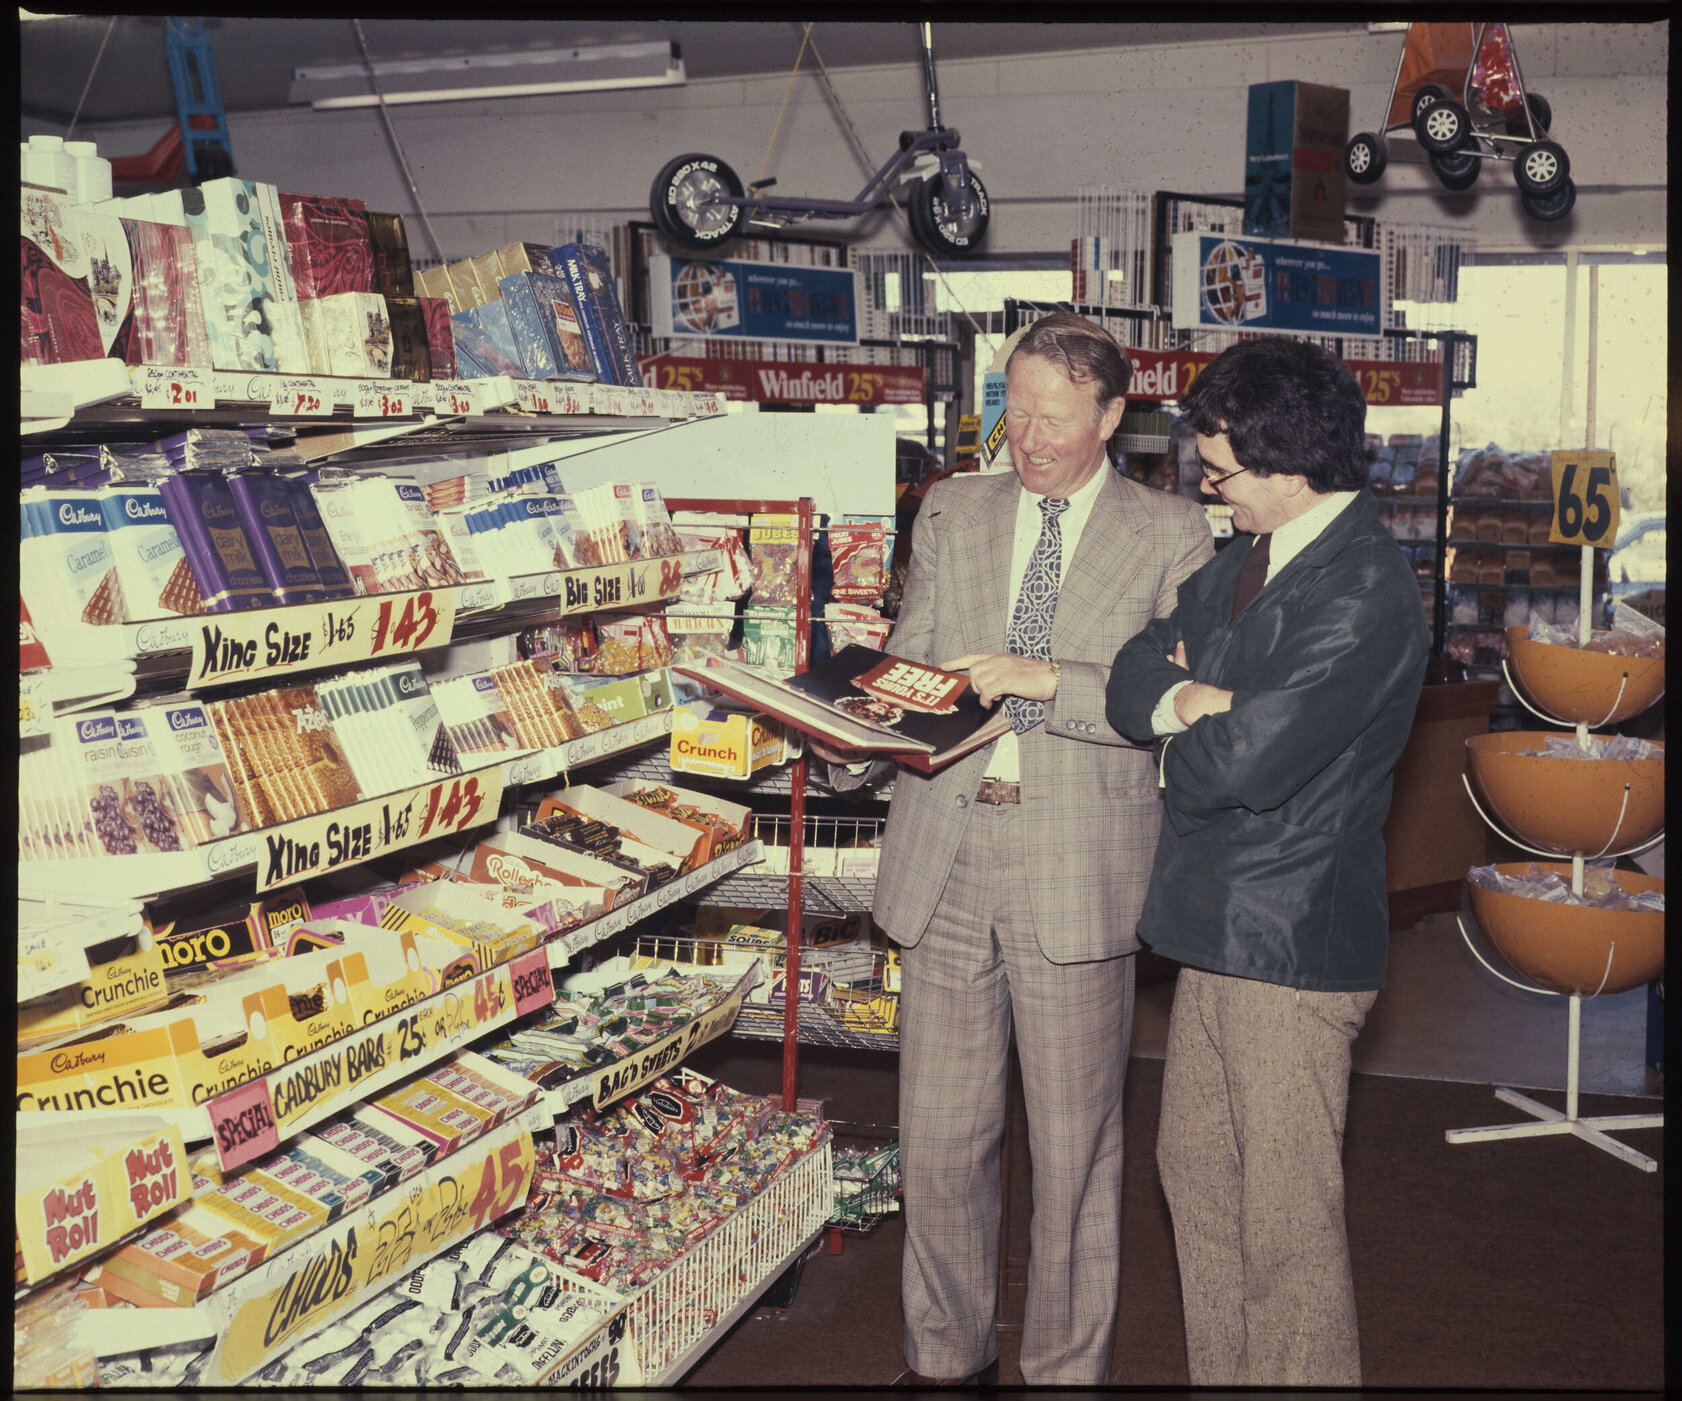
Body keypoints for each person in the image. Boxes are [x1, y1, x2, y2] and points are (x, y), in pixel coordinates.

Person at [821, 312, 1213, 1385]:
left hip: (1077, 871)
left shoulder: (1173, 534)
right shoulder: (953, 505)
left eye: (1051, 417)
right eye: (1013, 409)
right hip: (944, 855)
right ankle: (945, 1360)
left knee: (1075, 1156)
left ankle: (1061, 1372)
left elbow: (1165, 702)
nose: (1027, 436)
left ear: (1111, 415)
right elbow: (912, 660)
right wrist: (847, 721)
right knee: (940, 1142)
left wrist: (1043, 683)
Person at [1105, 336, 1429, 1387]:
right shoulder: (1249, 558)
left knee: (1283, 1230)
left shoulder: (1365, 590)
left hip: (1288, 947)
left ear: (1289, 467)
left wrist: (1204, 716)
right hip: (1216, 930)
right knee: (1196, 1180)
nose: (1207, 491)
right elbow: (1130, 670)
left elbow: (1242, 765)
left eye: (1219, 473)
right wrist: (1189, 698)